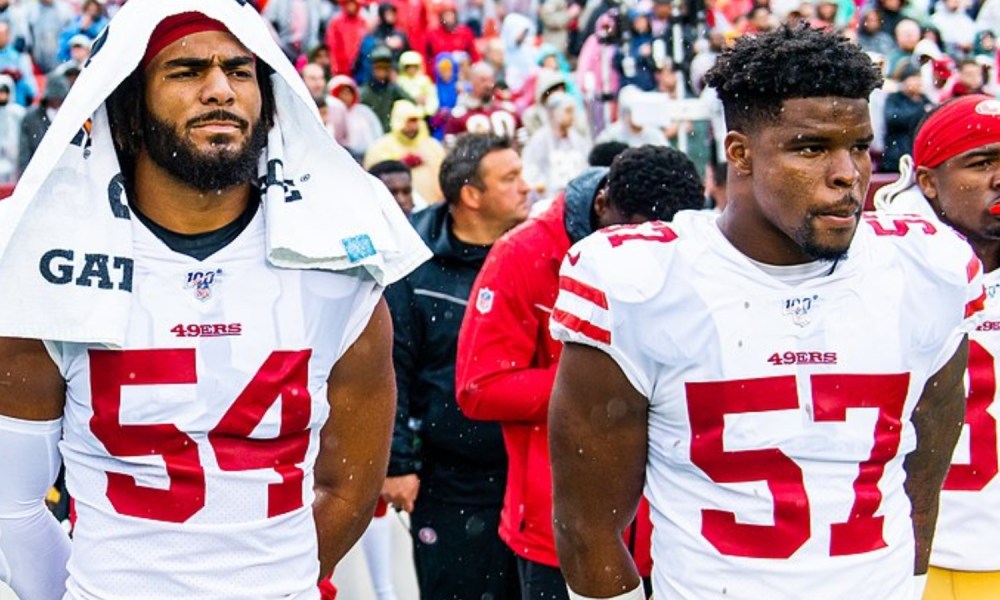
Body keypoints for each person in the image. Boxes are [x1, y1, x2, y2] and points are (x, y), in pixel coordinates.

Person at [0, 3, 427, 599]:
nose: (220, 89)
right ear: (126, 105)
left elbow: (351, 488)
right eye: (186, 70)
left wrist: (273, 584)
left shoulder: (340, 273)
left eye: (240, 70)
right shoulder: (43, 272)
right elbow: (12, 509)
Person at [548, 26, 982, 600]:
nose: (848, 175)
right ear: (739, 153)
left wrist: (910, 584)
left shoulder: (928, 266)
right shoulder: (641, 283)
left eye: (857, 146)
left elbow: (924, 473)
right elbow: (588, 528)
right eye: (811, 148)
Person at [456, 145, 704, 600]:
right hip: (559, 532)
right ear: (603, 203)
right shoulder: (521, 253)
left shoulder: (693, 248)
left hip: (671, 532)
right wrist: (601, 388)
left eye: (660, 243)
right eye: (629, 235)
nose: (642, 254)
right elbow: (479, 387)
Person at [382, 133, 529, 600]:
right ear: (471, 195)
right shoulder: (413, 263)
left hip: (524, 469)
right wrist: (398, 462)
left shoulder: (533, 250)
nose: (526, 186)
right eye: (510, 178)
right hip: (447, 480)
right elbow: (393, 368)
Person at [877, 94, 1000, 600]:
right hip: (913, 553)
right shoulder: (881, 265)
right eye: (982, 162)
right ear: (927, 181)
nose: (999, 178)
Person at [364, 99, 446, 203]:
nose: (412, 126)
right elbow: (375, 178)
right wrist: (400, 164)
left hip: (433, 209)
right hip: (397, 207)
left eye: (415, 121)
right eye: (408, 121)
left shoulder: (432, 146)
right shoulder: (380, 147)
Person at [18, 72, 69, 174]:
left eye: (59, 98)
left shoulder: (70, 116)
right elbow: (24, 152)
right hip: (38, 171)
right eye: (53, 98)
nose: (56, 101)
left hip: (65, 170)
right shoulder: (31, 118)